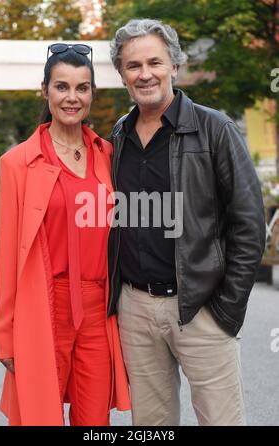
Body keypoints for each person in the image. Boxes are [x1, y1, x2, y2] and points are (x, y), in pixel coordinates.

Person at [108, 19, 266, 426]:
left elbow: (249, 224)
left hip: (201, 309)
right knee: (152, 427)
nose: (145, 73)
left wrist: (226, 309)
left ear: (174, 66)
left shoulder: (215, 128)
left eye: (155, 62)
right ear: (122, 74)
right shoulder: (120, 134)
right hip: (136, 310)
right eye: (133, 65)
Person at [0, 43, 130, 426]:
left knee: (94, 421)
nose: (72, 97)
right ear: (45, 91)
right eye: (62, 87)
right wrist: (5, 334)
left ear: (92, 94)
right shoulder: (18, 162)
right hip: (44, 305)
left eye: (82, 88)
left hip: (97, 309)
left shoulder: (108, 154)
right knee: (41, 415)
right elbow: (8, 257)